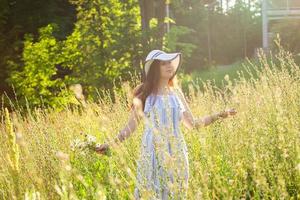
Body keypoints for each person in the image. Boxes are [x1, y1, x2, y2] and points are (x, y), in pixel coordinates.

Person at [96, 50, 237, 199]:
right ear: (155, 69)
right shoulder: (144, 96)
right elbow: (129, 128)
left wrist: (220, 114)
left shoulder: (176, 94)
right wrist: (110, 144)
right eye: (163, 63)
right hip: (152, 153)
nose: (169, 66)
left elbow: (193, 124)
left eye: (169, 62)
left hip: (176, 153)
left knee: (175, 193)